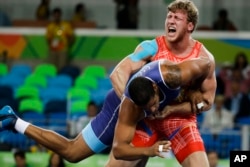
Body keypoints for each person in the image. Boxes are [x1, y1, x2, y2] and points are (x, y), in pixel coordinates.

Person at [0, 57, 210, 166]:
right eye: (147, 108)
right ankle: (15, 121)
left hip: (153, 102)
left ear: (156, 88)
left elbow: (207, 64)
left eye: (154, 104)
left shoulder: (173, 74)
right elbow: (119, 149)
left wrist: (195, 91)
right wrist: (151, 150)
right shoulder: (129, 107)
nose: (154, 109)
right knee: (72, 153)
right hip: (114, 109)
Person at [109, 0, 217, 166]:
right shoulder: (151, 48)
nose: (171, 21)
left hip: (180, 121)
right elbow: (118, 74)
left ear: (190, 26)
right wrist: (134, 104)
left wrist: (173, 109)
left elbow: (207, 103)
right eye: (169, 17)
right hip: (148, 120)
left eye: (177, 18)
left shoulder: (203, 59)